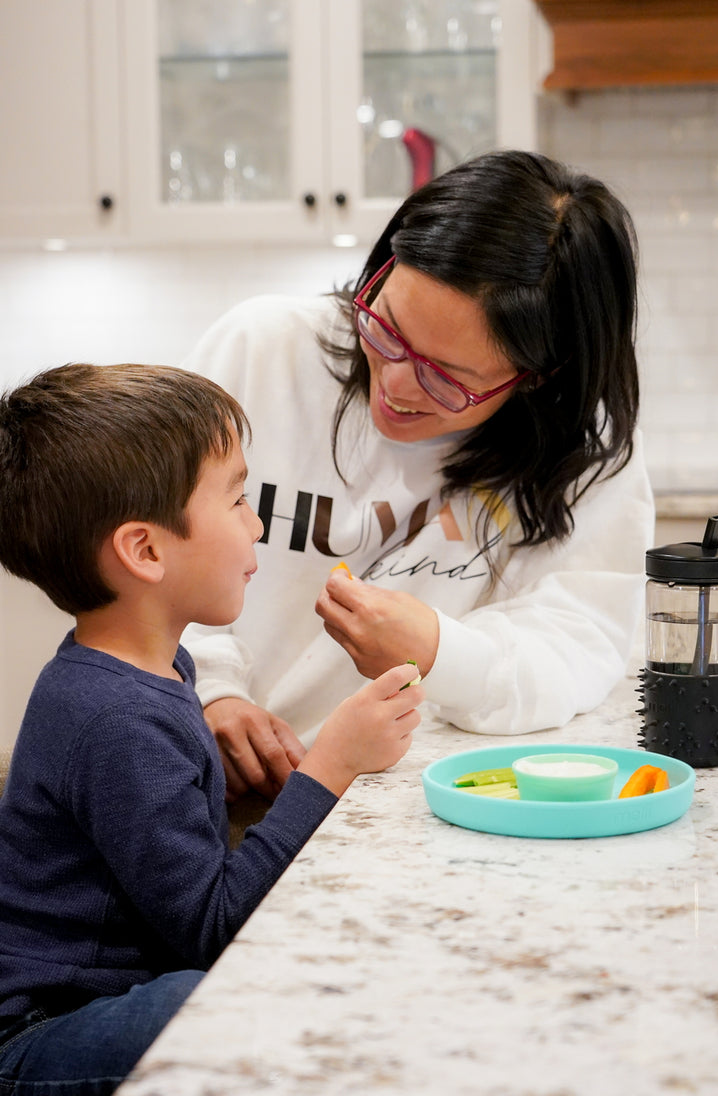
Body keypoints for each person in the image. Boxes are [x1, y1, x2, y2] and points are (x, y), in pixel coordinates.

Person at [181, 149, 655, 802]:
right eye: (386, 328)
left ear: (538, 377)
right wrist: (211, 691)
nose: (397, 386)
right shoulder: (261, 349)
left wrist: (437, 651)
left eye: (449, 376)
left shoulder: (586, 464)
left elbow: (575, 652)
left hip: (392, 811)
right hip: (196, 786)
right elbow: (143, 552)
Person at [0, 363, 423, 1095]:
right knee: (211, 1000)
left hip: (103, 1002)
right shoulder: (119, 720)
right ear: (146, 551)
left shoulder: (161, 672)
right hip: (42, 1034)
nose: (258, 522)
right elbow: (215, 930)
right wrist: (331, 764)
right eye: (236, 499)